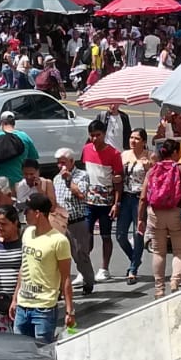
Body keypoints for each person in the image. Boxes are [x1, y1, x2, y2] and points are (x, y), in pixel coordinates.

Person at [9, 193, 74, 344]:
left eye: (27, 211)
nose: (24, 214)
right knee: (20, 350)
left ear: (37, 213)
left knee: (42, 352)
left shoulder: (59, 241)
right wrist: (15, 299)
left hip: (43, 309)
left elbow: (66, 278)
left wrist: (70, 311)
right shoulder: (27, 233)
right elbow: (23, 268)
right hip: (22, 306)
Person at [138, 140, 181, 297]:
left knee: (158, 252)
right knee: (180, 251)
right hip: (176, 212)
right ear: (174, 153)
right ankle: (175, 281)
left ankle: (159, 288)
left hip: (155, 213)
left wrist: (140, 218)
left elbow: (143, 197)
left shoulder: (152, 171)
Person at [81, 119, 123, 282]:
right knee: (86, 236)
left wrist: (116, 203)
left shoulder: (114, 154)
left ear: (104, 134)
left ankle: (104, 268)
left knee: (106, 236)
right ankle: (84, 268)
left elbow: (118, 182)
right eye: (92, 136)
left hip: (106, 203)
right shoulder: (86, 150)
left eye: (98, 135)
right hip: (89, 201)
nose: (94, 139)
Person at [53, 147, 96, 294]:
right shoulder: (56, 178)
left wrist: (69, 180)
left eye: (63, 162)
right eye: (58, 163)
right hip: (60, 223)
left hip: (77, 222)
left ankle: (88, 280)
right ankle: (58, 289)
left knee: (80, 255)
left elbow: (81, 194)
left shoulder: (82, 175)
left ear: (71, 162)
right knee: (57, 257)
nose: (60, 166)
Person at [118, 128, 151, 286]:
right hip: (125, 196)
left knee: (138, 234)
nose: (133, 141)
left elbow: (155, 178)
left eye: (137, 138)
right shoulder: (124, 155)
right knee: (120, 235)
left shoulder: (150, 156)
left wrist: (147, 168)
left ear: (144, 141)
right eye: (131, 137)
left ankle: (133, 269)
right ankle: (135, 260)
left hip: (140, 198)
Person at [0, 204, 23, 332]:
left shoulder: (24, 241)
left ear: (14, 223)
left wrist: (16, 298)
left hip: (19, 301)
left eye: (4, 224)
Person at [0, 111, 38, 186]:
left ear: (1, 123)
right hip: (18, 180)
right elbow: (33, 157)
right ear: (14, 122)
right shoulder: (24, 137)